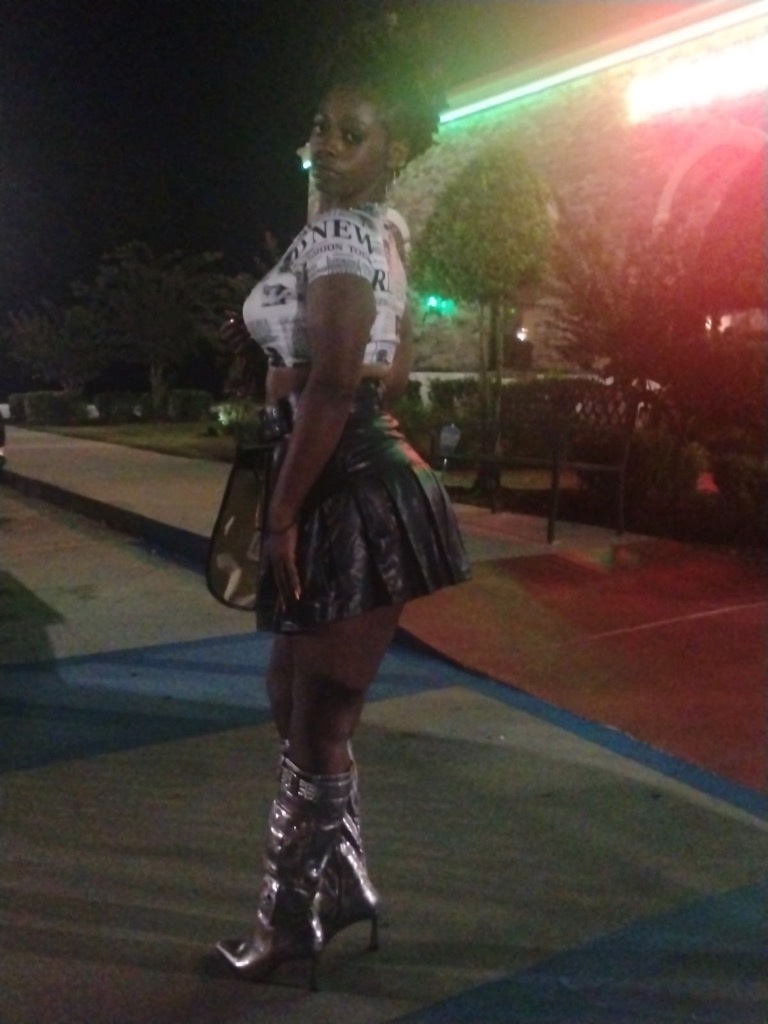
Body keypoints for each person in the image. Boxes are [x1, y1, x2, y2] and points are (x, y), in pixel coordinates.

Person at [213, 21, 470, 989]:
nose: (325, 145)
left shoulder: (338, 236)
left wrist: (279, 514)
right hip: (351, 479)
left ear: (392, 149)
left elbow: (332, 389)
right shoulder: (382, 237)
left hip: (344, 489)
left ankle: (287, 923)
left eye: (351, 134)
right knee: (300, 703)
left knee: (314, 716)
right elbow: (387, 374)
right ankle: (346, 880)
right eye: (321, 127)